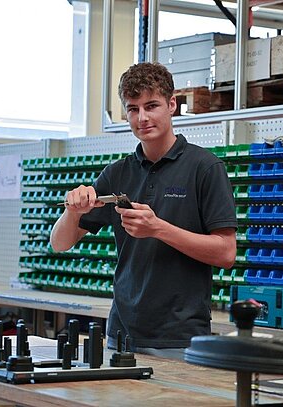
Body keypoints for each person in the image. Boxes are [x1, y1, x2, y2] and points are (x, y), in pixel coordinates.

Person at [50, 62, 237, 355]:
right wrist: (73, 211)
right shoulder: (116, 173)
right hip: (121, 335)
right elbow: (59, 244)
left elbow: (226, 253)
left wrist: (158, 228)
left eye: (151, 106)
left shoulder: (205, 168)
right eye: (133, 109)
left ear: (172, 104)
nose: (142, 118)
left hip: (180, 338)